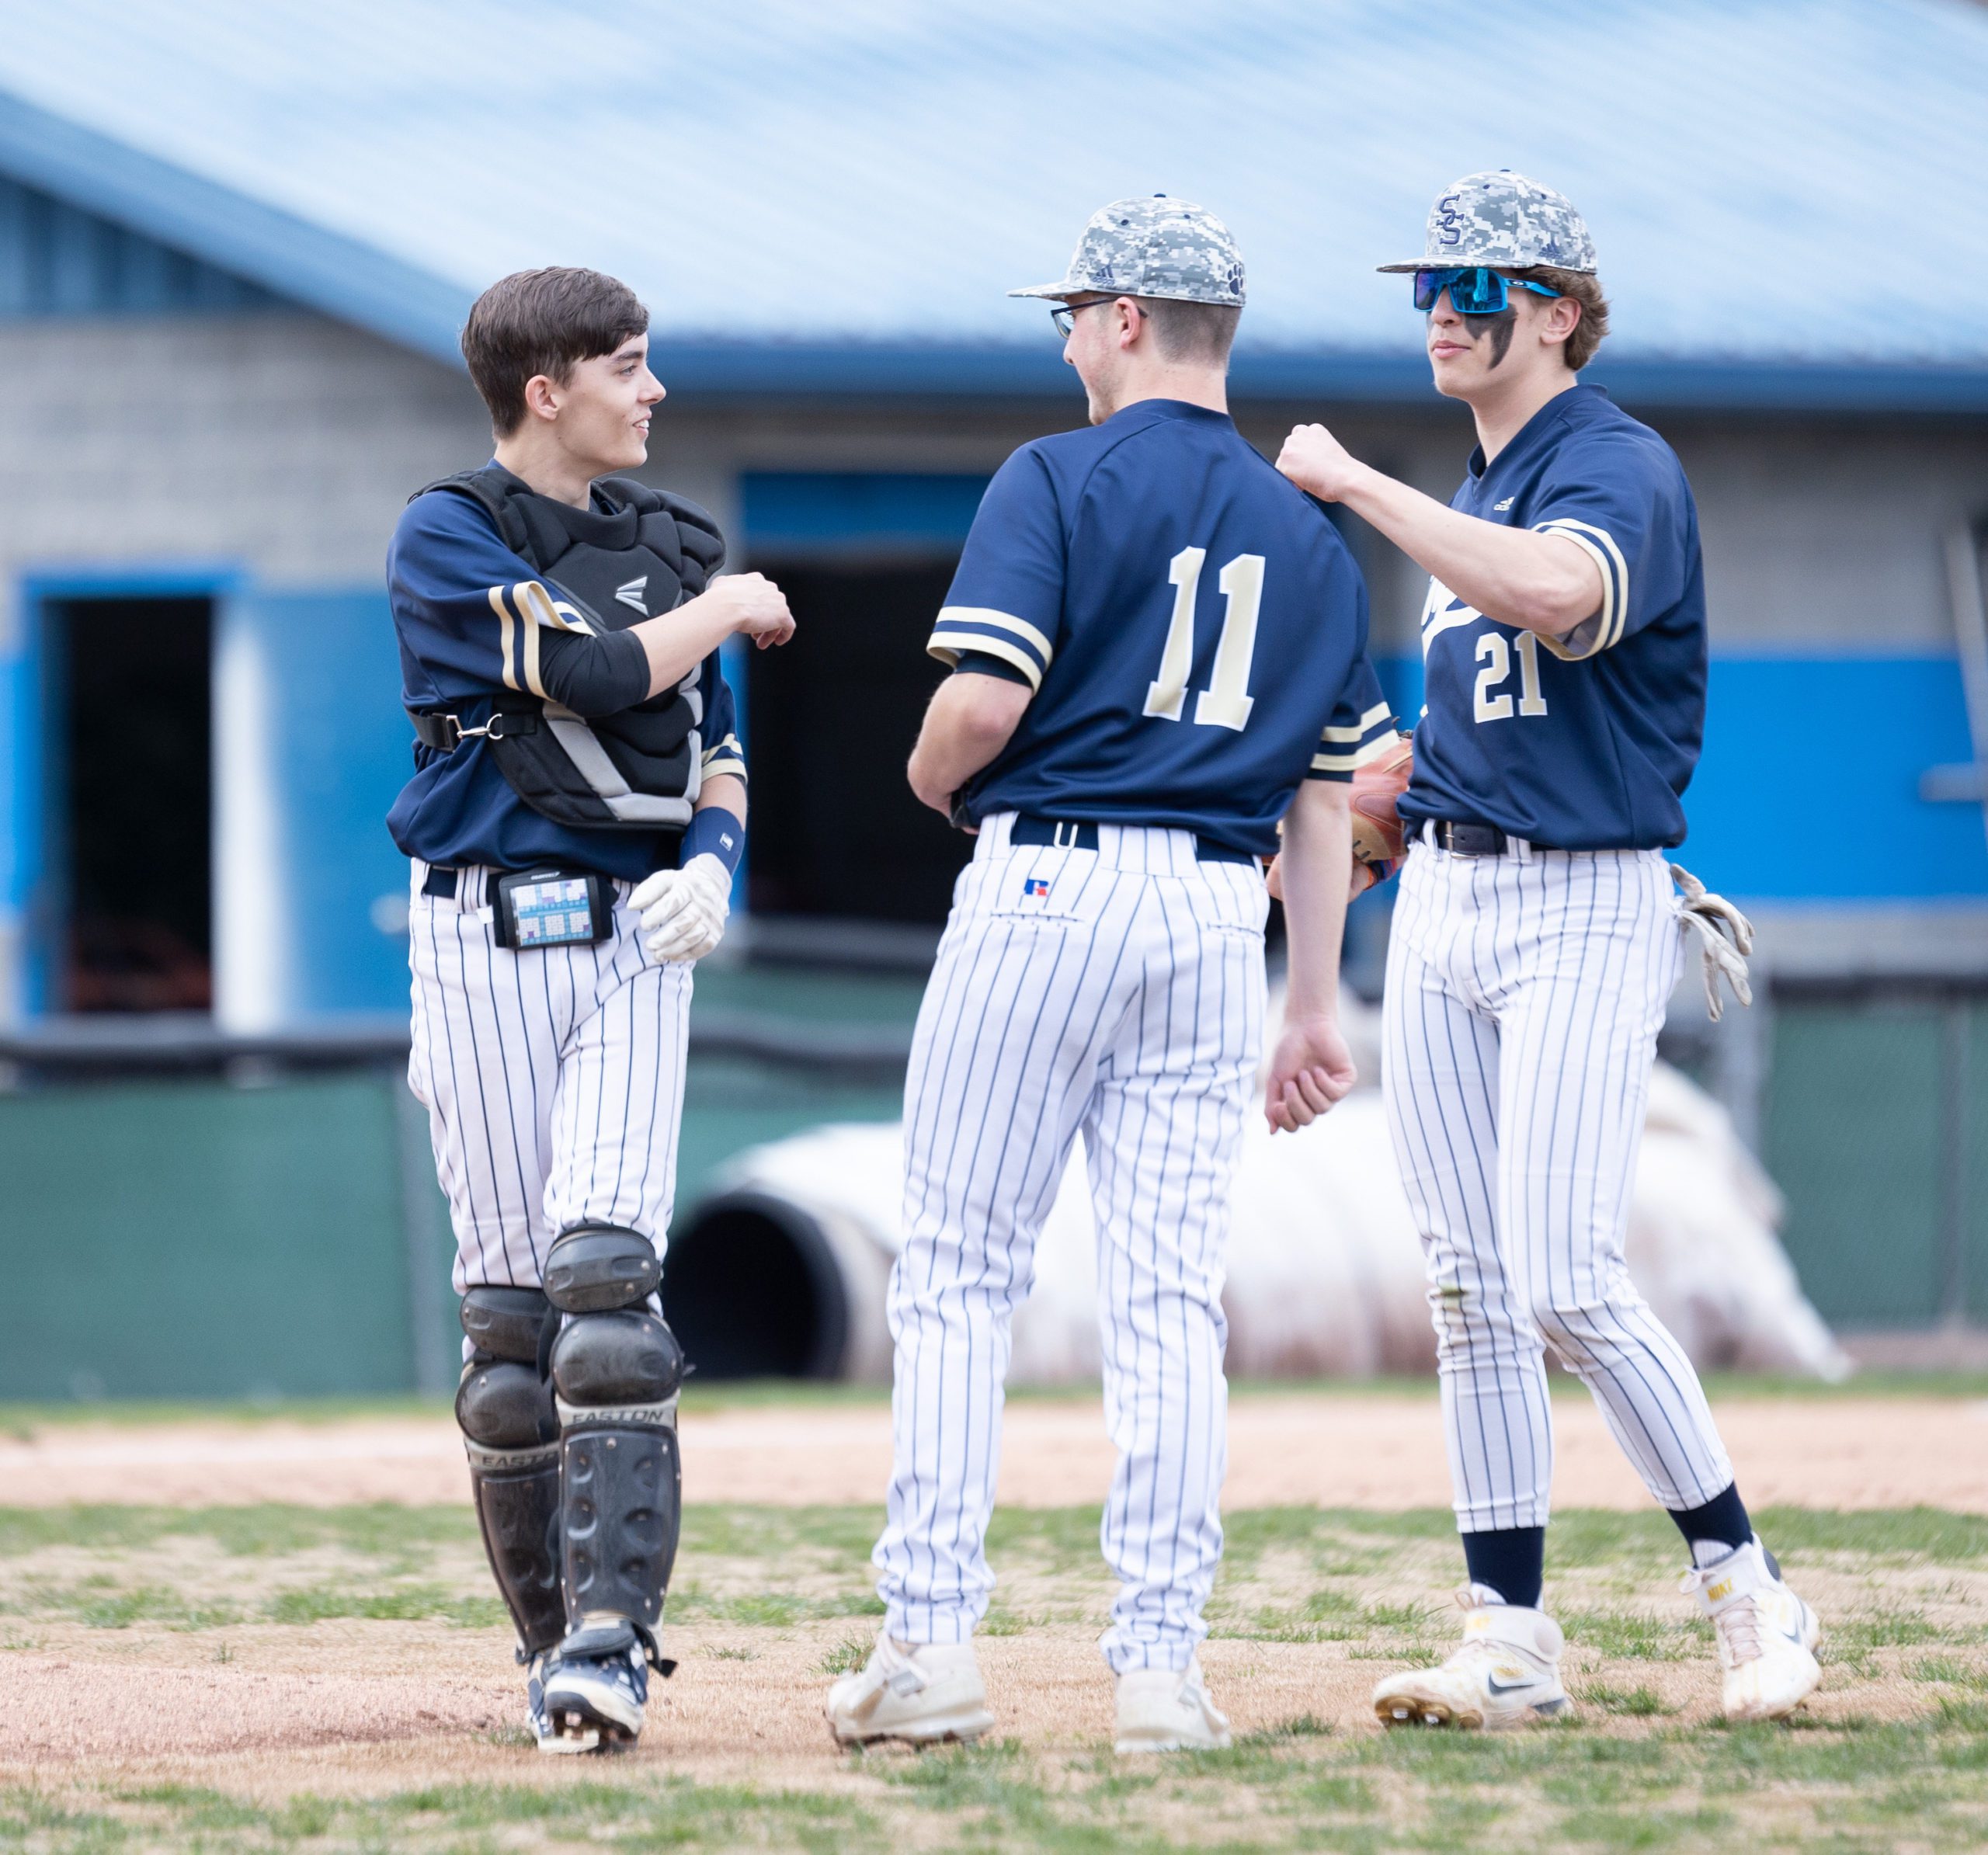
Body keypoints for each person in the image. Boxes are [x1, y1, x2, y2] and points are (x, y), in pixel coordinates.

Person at [823, 196, 1397, 1755]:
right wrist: (1311, 1001)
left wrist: (928, 779)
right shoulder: (1309, 534)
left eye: (1072, 313)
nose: (1066, 338)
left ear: (1127, 318)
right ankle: (1159, 1671)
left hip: (1050, 878)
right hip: (1215, 915)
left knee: (957, 1271)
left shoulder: (1055, 473)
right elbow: (1324, 799)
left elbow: (982, 706)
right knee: (1166, 1301)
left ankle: (930, 1644)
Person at [1275, 171, 1822, 1728]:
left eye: (1476, 289)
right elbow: (1488, 715)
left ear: (1562, 311)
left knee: (1569, 1276)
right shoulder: (1482, 480)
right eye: (1428, 289)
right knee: (1465, 1282)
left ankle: (1747, 1588)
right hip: (1449, 897)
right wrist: (1377, 807)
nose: (1442, 315)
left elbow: (1562, 599)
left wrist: (1360, 487)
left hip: (1582, 896)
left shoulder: (1608, 460)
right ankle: (1508, 1634)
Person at [386, 266, 794, 1753]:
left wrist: (717, 862)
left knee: (608, 1293)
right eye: (626, 365)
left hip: (636, 933)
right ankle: (549, 1646)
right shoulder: (450, 530)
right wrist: (729, 605)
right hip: (482, 935)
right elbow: (589, 671)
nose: (654, 390)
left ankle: (614, 1647)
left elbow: (715, 748)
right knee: (510, 1335)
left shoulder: (670, 538)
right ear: (545, 390)